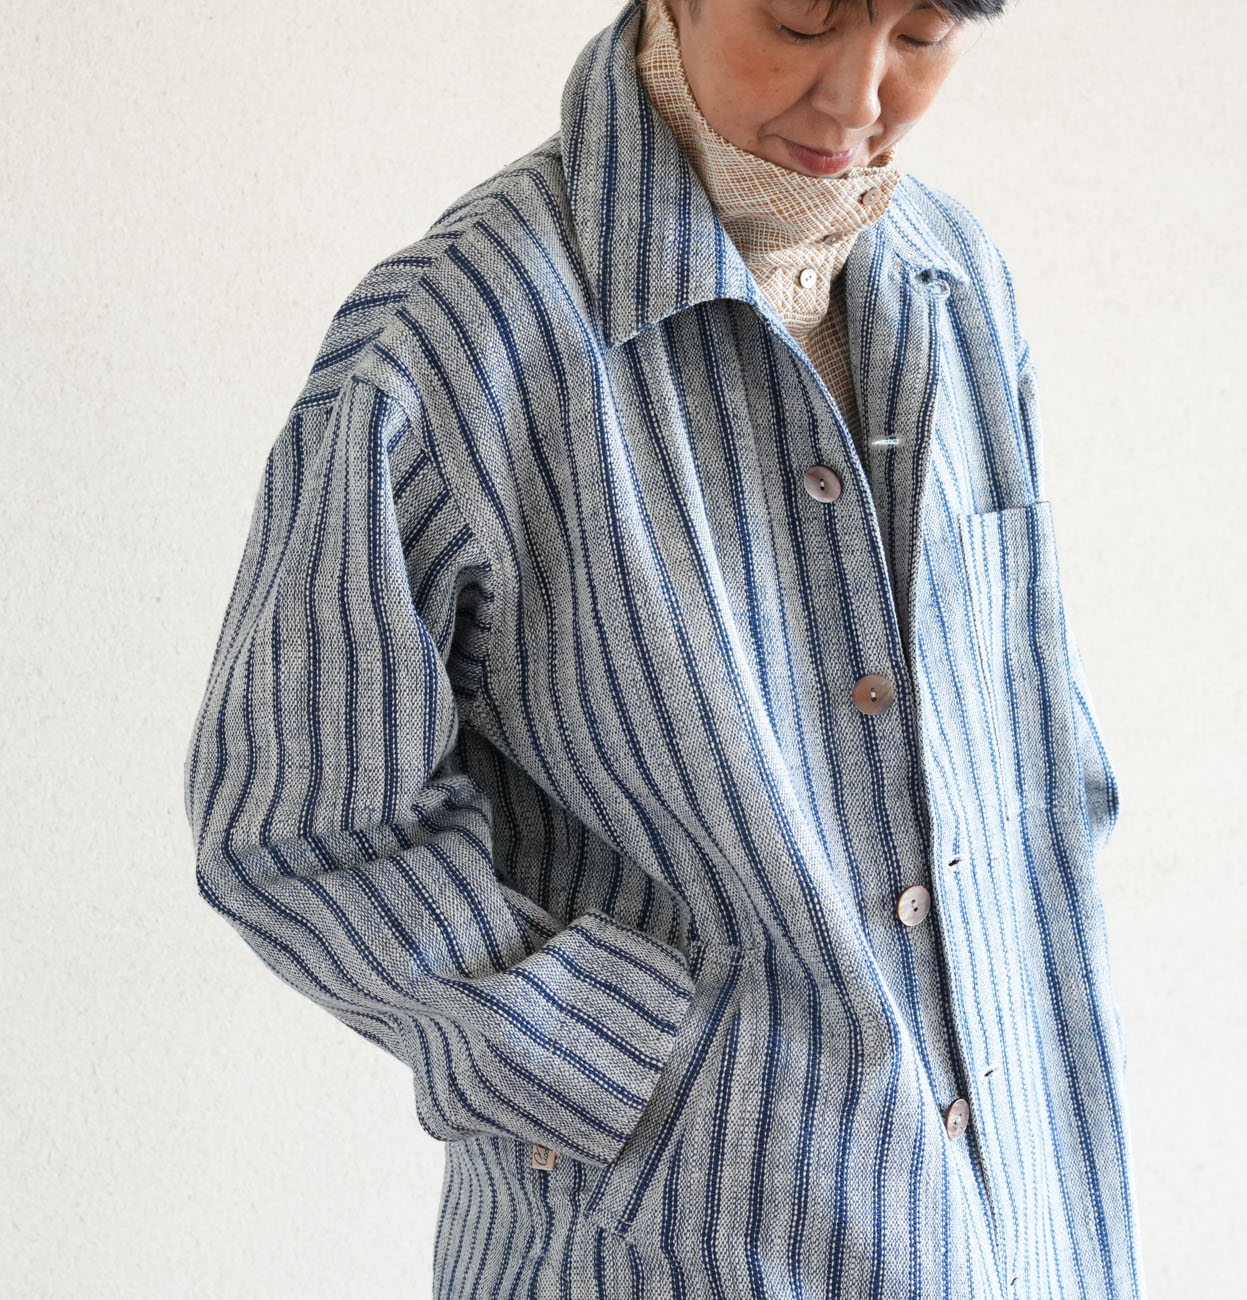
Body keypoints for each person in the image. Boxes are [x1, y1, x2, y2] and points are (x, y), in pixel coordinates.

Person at [181, 0, 1146, 1295]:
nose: (857, 99)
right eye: (801, 20)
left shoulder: (956, 279)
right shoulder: (453, 336)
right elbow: (296, 827)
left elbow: (1027, 728)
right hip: (669, 1254)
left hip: (1023, 1234)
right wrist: (640, 1073)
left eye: (920, 35)